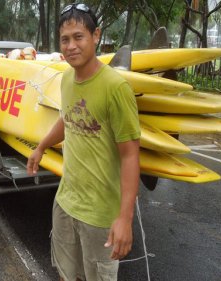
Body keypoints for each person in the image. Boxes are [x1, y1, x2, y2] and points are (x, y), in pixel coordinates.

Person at [27, 3, 141, 281]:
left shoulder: (116, 88)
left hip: (100, 215)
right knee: (68, 275)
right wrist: (41, 147)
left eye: (79, 37)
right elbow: (68, 119)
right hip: (66, 203)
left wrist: (124, 218)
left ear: (96, 36)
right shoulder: (67, 79)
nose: (71, 46)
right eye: (65, 39)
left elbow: (130, 156)